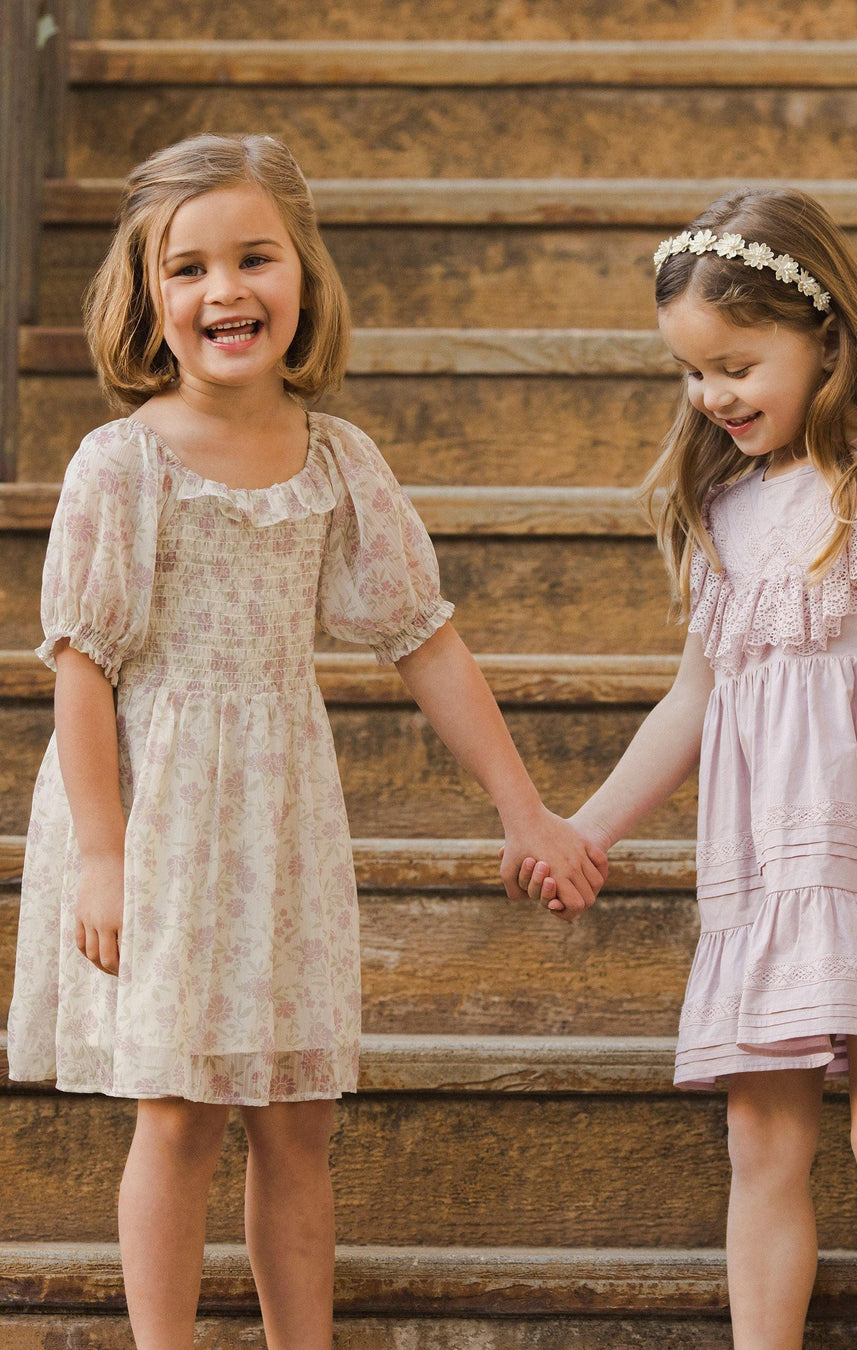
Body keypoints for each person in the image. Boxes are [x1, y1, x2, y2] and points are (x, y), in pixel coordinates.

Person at [6, 132, 606, 1350]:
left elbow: (422, 639)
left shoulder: (339, 461)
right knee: (175, 1109)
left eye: (254, 258)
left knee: (296, 1114)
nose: (224, 290)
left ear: (303, 278)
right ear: (148, 299)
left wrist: (523, 807)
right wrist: (106, 856)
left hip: (278, 811)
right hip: (156, 810)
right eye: (188, 270)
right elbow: (81, 668)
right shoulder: (120, 468)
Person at [519, 186, 857, 1349]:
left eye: (736, 362)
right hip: (777, 875)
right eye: (691, 373)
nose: (713, 395)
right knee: (762, 1141)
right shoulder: (722, 511)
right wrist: (589, 827)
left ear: (825, 336)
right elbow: (695, 698)